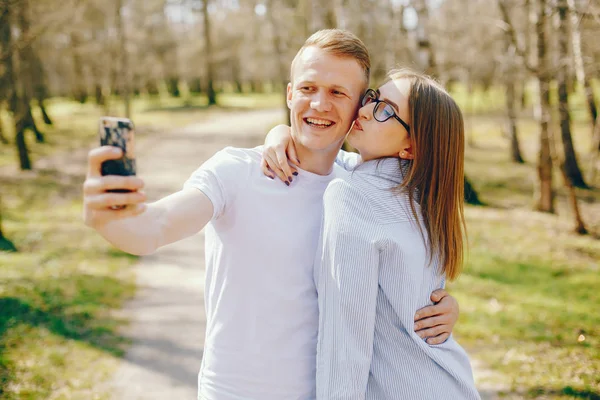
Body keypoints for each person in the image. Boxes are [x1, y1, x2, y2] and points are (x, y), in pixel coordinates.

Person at [83, 30, 460, 400]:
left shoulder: (356, 185)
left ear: (358, 108)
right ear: (289, 93)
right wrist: (111, 218)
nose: (319, 104)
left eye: (337, 93)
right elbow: (152, 228)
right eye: (308, 88)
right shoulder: (236, 171)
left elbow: (405, 265)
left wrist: (445, 306)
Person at [262, 69, 480, 399]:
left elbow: (345, 335)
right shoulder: (421, 198)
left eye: (386, 111)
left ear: (411, 146)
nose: (365, 110)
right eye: (374, 97)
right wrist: (280, 133)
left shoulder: (352, 196)